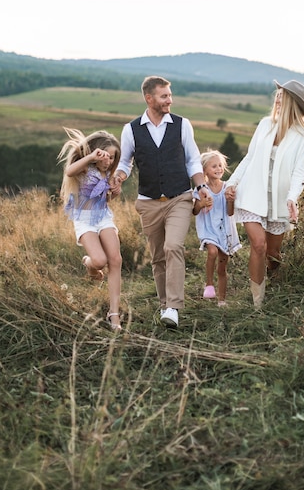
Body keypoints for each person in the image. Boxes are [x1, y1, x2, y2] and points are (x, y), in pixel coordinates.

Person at [114, 75, 210, 329]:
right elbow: (125, 162)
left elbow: (193, 160)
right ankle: (165, 304)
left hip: (180, 197)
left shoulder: (182, 125)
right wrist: (119, 177)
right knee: (158, 257)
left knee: (173, 246)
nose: (170, 100)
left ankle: (174, 307)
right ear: (149, 98)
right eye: (164, 96)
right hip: (148, 202)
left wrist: (201, 186)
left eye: (170, 95)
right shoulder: (131, 129)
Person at [225, 80, 304, 309]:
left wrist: (292, 198)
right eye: (277, 93)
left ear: (293, 103)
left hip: (279, 202)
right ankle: (258, 303)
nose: (277, 98)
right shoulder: (265, 125)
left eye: (283, 95)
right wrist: (232, 182)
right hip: (252, 195)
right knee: (258, 245)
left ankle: (274, 279)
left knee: (273, 254)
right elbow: (249, 157)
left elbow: (299, 174)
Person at [58, 128, 123, 330]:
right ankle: (89, 264)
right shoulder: (85, 168)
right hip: (84, 220)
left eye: (113, 158)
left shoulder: (109, 175)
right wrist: (91, 158)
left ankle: (114, 314)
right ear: (96, 153)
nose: (110, 161)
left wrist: (115, 192)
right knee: (99, 261)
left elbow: (107, 198)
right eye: (107, 156)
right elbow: (69, 171)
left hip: (103, 217)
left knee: (115, 260)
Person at [192, 150, 241, 307]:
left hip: (225, 231)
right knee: (212, 252)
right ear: (205, 170)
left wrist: (231, 200)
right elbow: (194, 211)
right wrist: (201, 203)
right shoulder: (201, 189)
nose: (219, 169)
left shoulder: (227, 188)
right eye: (214, 166)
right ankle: (209, 283)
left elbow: (230, 212)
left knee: (222, 267)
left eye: (220, 165)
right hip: (208, 230)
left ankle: (222, 300)